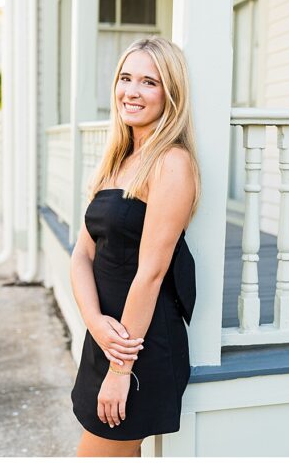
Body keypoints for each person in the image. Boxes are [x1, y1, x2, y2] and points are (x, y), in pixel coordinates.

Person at [69, 37, 200, 456]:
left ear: (170, 95)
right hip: (106, 336)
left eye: (149, 82)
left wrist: (121, 368)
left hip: (138, 346)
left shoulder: (172, 163)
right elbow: (82, 254)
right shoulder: (117, 159)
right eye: (126, 78)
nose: (132, 91)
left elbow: (152, 273)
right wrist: (94, 321)